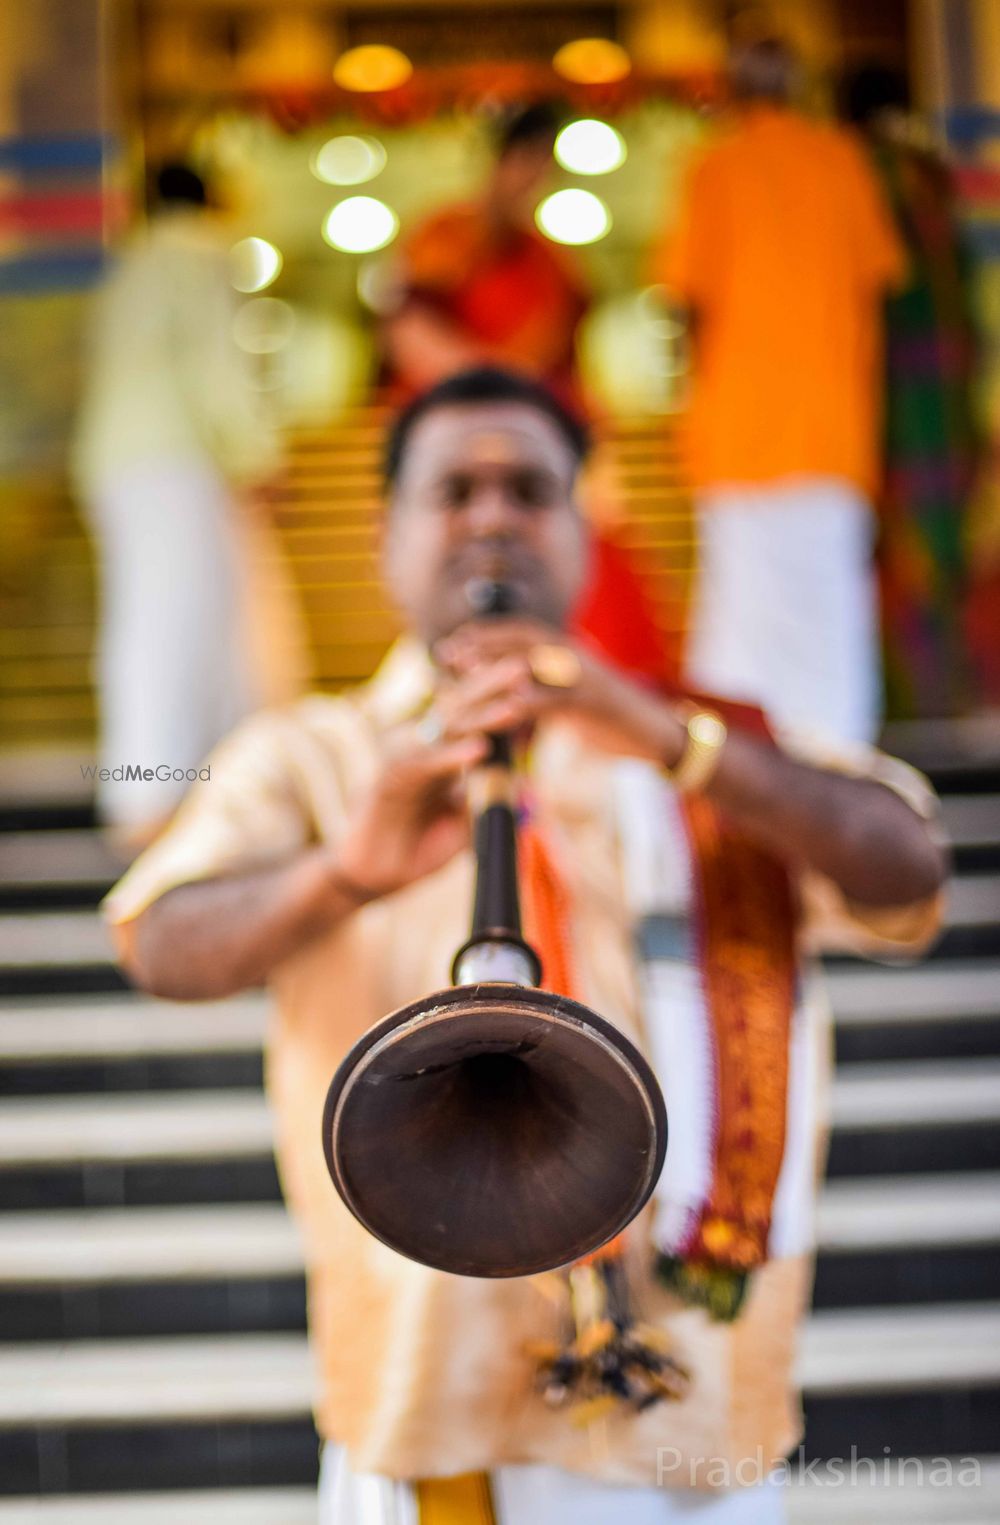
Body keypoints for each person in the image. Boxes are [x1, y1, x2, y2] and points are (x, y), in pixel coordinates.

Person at [106, 367, 945, 1523]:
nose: (492, 517)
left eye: (528, 489)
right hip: (437, 1407)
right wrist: (343, 869)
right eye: (453, 490)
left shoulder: (709, 740)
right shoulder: (308, 748)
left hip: (697, 1411)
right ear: (385, 536)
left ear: (582, 527)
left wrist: (663, 734)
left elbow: (904, 864)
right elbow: (162, 945)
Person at [656, 38, 908, 745]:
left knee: (743, 632)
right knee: (828, 629)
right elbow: (880, 288)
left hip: (739, 435)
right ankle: (839, 784)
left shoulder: (715, 166)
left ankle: (751, 806)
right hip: (829, 433)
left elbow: (684, 304)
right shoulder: (840, 162)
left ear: (733, 88)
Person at [73, 162, 308, 852]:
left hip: (115, 466)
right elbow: (219, 365)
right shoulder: (201, 253)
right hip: (175, 460)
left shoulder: (127, 267)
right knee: (185, 625)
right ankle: (161, 799)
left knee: (146, 624)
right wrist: (258, 455)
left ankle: (146, 790)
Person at [842, 62, 979, 719]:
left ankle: (921, 722)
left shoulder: (858, 176)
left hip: (890, 408)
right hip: (948, 407)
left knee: (894, 577)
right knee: (942, 574)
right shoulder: (930, 176)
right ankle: (950, 709)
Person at [382, 102, 588, 413]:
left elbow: (558, 364)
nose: (535, 177)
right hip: (447, 415)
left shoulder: (548, 261)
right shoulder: (443, 236)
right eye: (527, 158)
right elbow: (409, 333)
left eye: (545, 163)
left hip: (521, 418)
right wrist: (485, 384)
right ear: (497, 159)